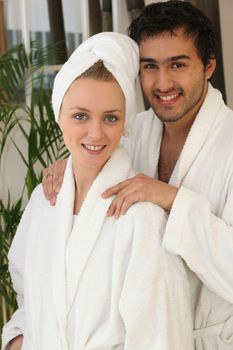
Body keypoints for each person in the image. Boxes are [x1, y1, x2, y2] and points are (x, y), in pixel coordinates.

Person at [42, 1, 233, 350]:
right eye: (150, 66)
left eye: (177, 64)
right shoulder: (132, 133)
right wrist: (70, 168)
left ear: (208, 66)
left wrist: (173, 200)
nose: (163, 83)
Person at [1, 32, 193, 350]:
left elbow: (162, 338)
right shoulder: (44, 202)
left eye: (111, 118)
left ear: (125, 123)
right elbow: (27, 298)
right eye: (80, 116)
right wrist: (17, 341)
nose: (96, 133)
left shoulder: (140, 217)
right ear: (58, 116)